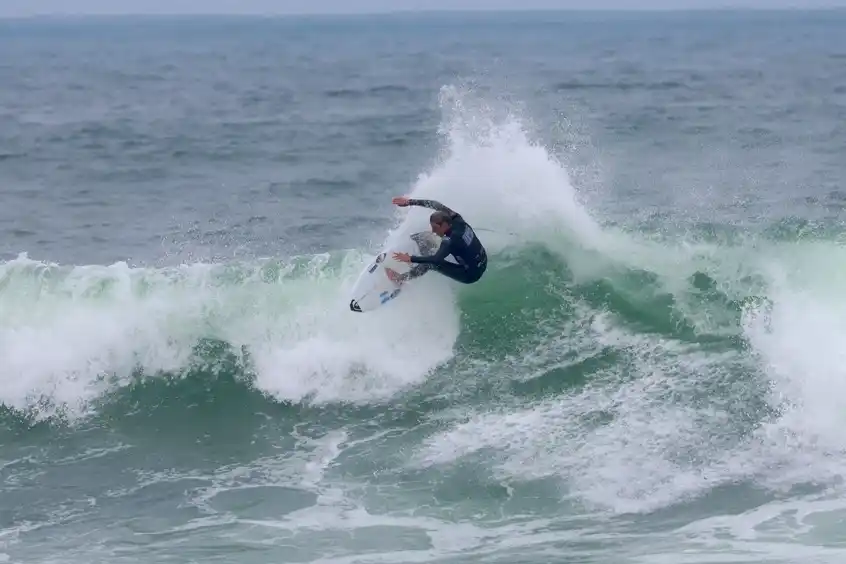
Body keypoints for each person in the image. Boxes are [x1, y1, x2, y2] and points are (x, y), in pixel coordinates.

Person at [386, 196, 487, 285]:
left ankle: (400, 279)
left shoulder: (450, 240)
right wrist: (410, 202)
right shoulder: (457, 218)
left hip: (470, 274)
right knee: (422, 237)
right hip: (482, 260)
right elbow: (436, 204)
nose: (433, 231)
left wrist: (410, 258)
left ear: (443, 225)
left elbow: (436, 260)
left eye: (435, 227)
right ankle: (418, 263)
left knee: (430, 263)